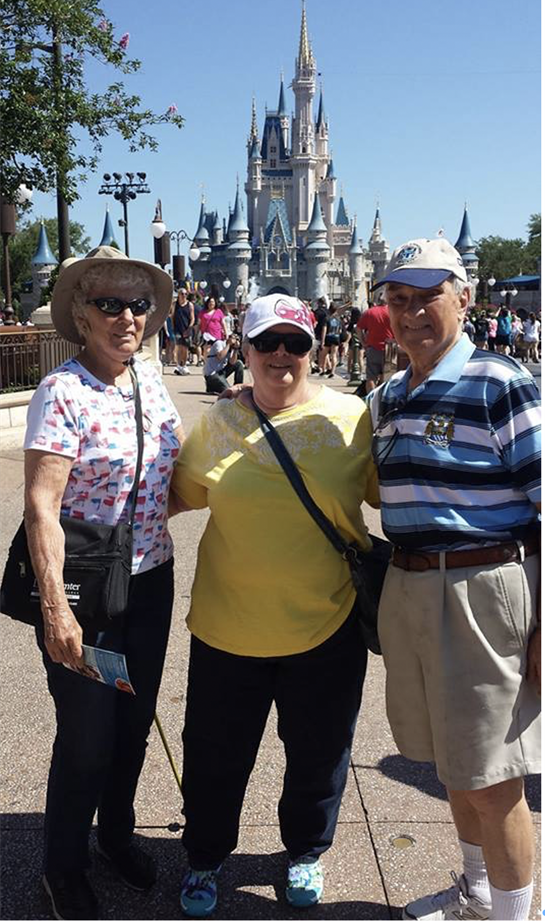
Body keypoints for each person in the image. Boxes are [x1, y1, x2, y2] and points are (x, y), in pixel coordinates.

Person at [169, 294, 379, 917]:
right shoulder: (218, 423)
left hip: (327, 623)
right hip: (227, 627)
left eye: (295, 343)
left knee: (319, 749)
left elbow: (395, 491)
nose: (280, 355)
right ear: (245, 349)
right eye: (266, 343)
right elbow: (175, 497)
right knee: (213, 753)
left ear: (315, 349)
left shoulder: (353, 419)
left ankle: (305, 852)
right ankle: (205, 858)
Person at [368, 237, 540, 921]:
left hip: (478, 586)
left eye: (427, 296)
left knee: (494, 779)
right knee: (451, 762)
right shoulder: (386, 396)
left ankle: (511, 914)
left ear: (462, 298)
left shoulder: (500, 381)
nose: (411, 312)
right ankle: (475, 893)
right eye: (397, 299)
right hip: (409, 585)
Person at [24, 245, 183, 921]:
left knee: (132, 725)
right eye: (109, 304)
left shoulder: (149, 380)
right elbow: (40, 504)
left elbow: (168, 476)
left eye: (138, 303)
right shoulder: (62, 391)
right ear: (81, 317)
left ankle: (114, 833)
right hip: (87, 592)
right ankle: (63, 864)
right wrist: (55, 607)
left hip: (150, 580)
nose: (126, 316)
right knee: (87, 734)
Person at [356, 296, 394, 392]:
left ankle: (371, 399)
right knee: (388, 376)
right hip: (390, 348)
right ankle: (382, 397)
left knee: (371, 377)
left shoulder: (369, 312)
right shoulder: (392, 312)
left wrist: (363, 342)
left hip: (373, 347)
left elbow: (358, 328)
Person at [173, 287, 195, 375]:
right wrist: (173, 327)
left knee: (185, 348)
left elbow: (192, 318)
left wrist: (189, 328)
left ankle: (184, 364)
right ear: (178, 295)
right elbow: (172, 316)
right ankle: (179, 365)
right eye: (182, 294)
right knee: (178, 347)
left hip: (186, 328)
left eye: (186, 294)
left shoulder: (189, 305)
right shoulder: (175, 304)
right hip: (178, 329)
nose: (184, 296)